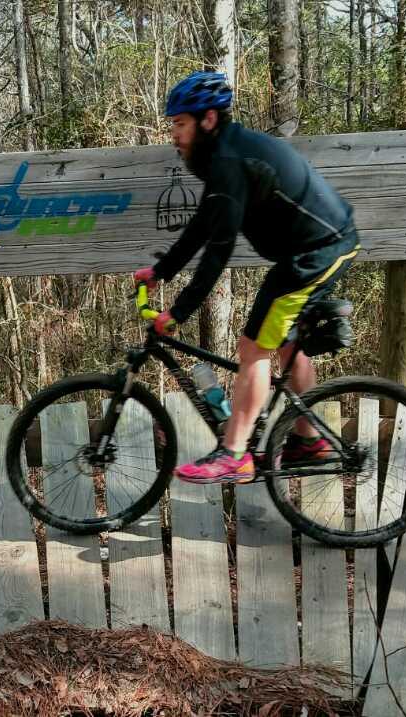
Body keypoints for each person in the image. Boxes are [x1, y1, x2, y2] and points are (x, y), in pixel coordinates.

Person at [134, 70, 360, 485]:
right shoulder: (224, 155)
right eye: (173, 125)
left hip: (315, 252)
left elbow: (218, 251)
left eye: (180, 124)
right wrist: (161, 271)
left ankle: (235, 454)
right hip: (318, 245)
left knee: (252, 347)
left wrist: (178, 312)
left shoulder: (229, 161)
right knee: (286, 341)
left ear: (208, 120)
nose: (174, 135)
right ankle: (310, 441)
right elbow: (204, 223)